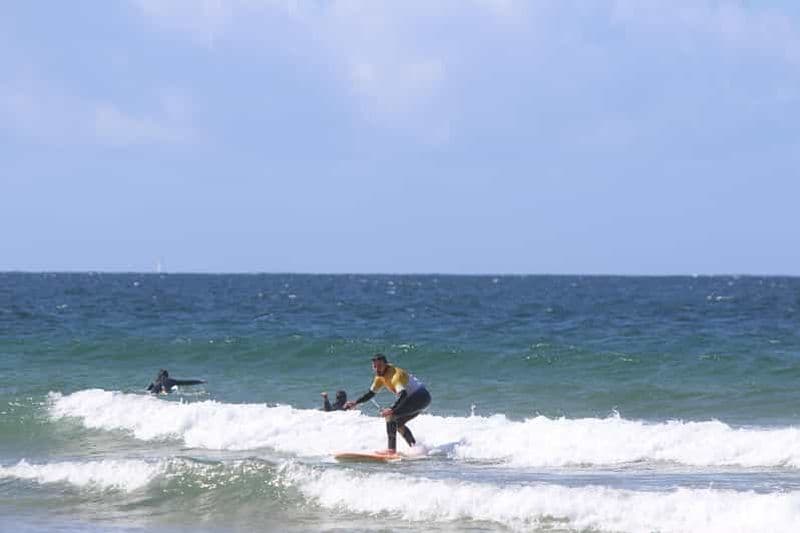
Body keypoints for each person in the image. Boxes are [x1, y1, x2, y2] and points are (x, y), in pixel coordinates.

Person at [344, 354, 431, 455]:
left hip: (420, 397)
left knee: (391, 416)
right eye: (374, 366)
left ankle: (391, 450)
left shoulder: (395, 375)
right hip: (417, 398)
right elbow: (371, 393)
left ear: (386, 364)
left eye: (379, 366)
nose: (377, 369)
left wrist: (391, 409)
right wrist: (356, 402)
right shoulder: (380, 377)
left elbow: (403, 394)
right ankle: (416, 448)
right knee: (398, 423)